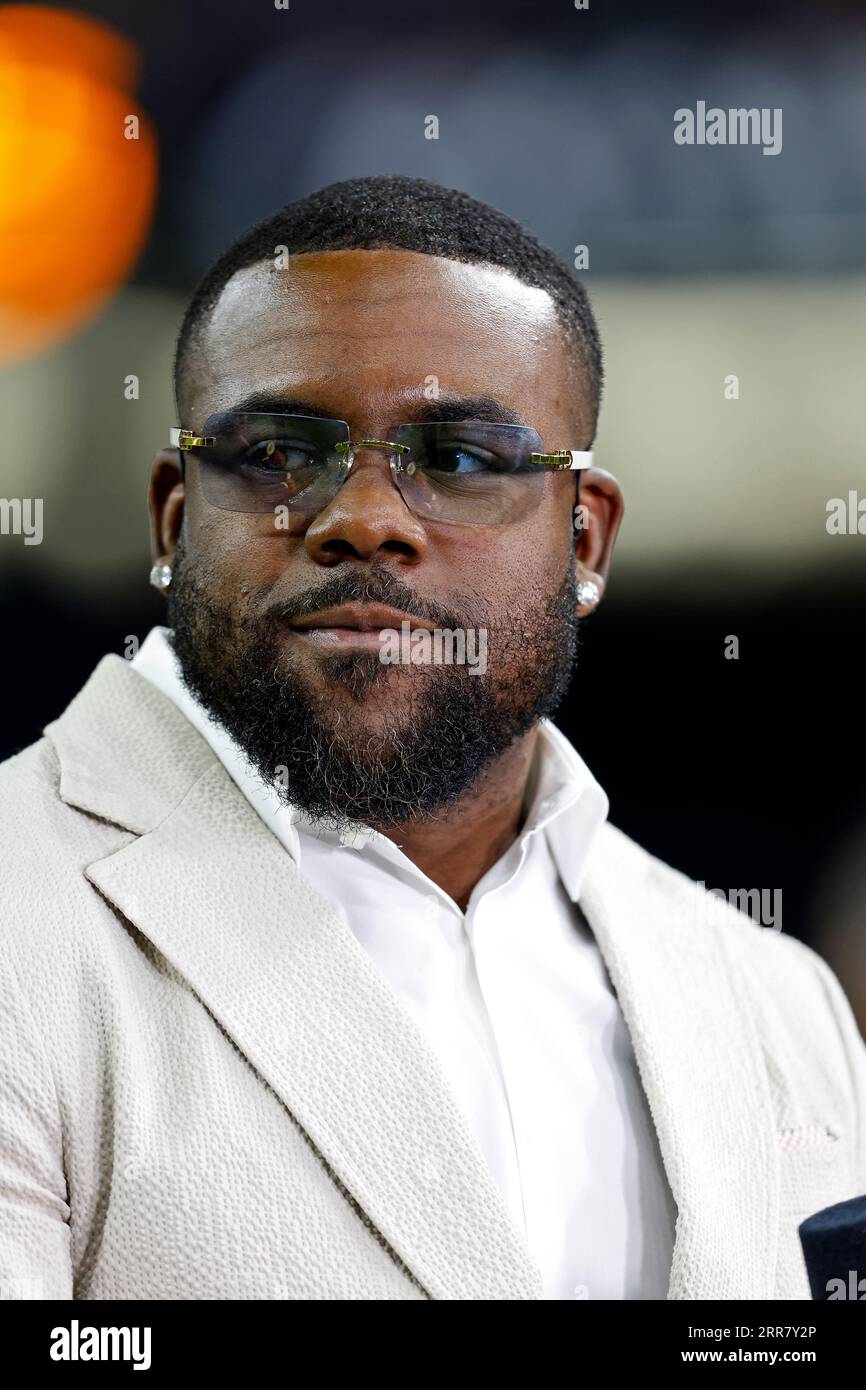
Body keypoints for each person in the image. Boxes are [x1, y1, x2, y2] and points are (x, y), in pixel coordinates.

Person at [1, 175, 863, 1302]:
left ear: (585, 541)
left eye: (456, 458)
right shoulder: (23, 914)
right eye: (275, 451)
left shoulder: (769, 1001)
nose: (362, 516)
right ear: (173, 517)